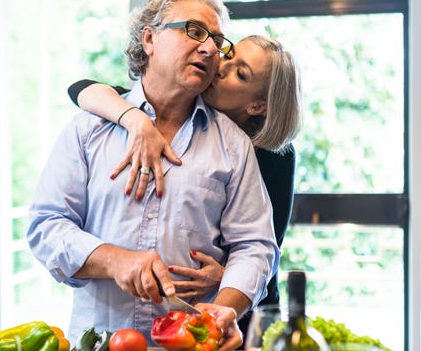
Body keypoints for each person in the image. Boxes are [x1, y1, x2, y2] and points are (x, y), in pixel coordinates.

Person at [28, 0, 279, 350]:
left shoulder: (234, 145)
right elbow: (45, 226)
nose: (210, 48)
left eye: (218, 42)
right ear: (149, 38)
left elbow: (255, 246)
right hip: (100, 341)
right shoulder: (89, 129)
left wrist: (224, 310)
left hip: (194, 343)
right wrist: (114, 261)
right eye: (195, 32)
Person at [66, 34, 301, 341]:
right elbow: (80, 89)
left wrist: (225, 278)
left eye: (240, 74)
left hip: (242, 315)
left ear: (257, 105)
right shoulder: (153, 112)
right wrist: (136, 120)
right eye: (228, 57)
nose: (221, 68)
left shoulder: (272, 157)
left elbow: (264, 244)